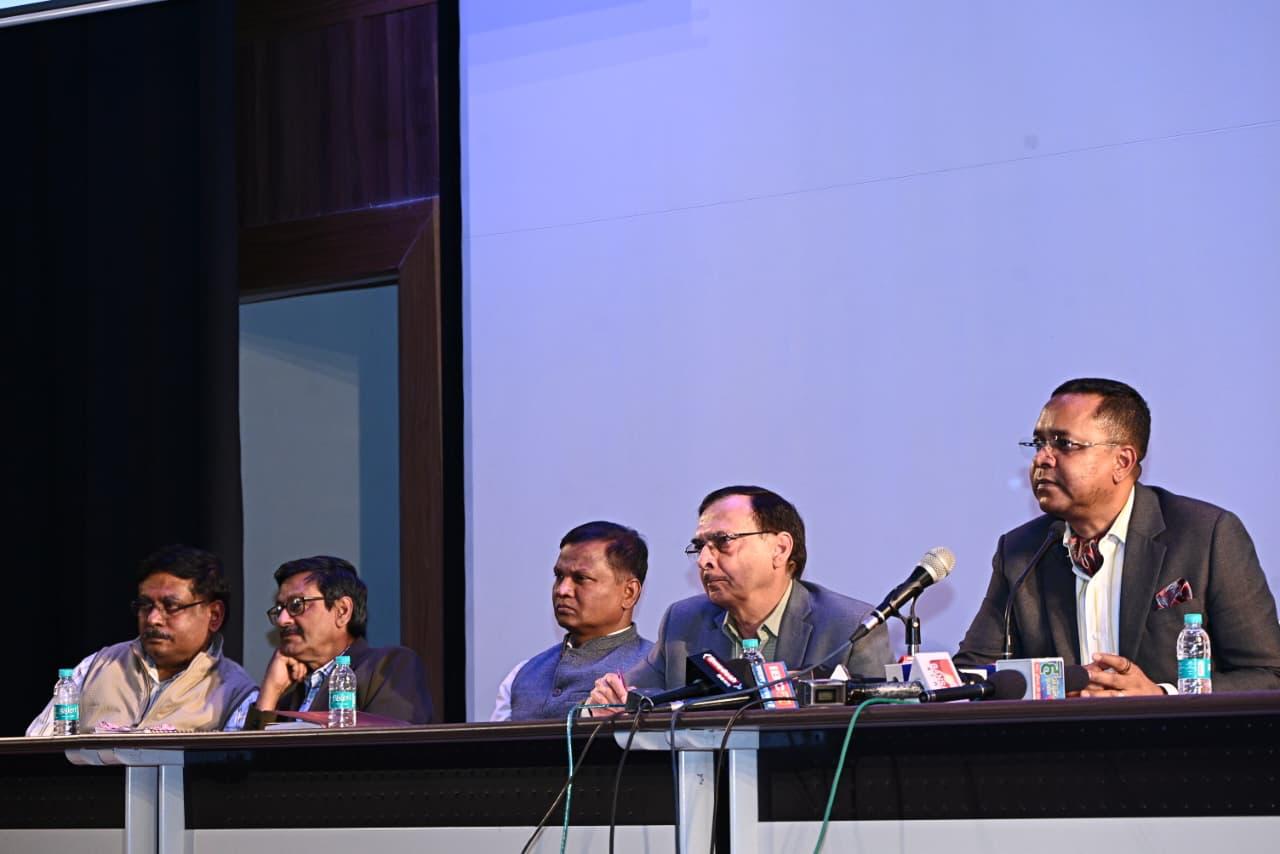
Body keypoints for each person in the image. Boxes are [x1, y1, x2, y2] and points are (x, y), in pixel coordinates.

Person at [955, 378, 1280, 695]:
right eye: (1039, 443)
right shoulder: (1022, 551)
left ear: (1122, 462)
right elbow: (973, 675)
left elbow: (1269, 675)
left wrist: (1161, 696)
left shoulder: (1206, 536)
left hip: (1173, 732)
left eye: (1064, 444)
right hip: (1065, 733)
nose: (1041, 458)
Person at [589, 486, 894, 708]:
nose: (704, 560)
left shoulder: (850, 627)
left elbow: (880, 730)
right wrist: (611, 700)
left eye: (723, 541)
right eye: (700, 546)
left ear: (780, 549)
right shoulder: (683, 622)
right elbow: (631, 694)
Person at [27, 545, 256, 735]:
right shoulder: (96, 667)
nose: (153, 619)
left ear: (214, 615)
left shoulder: (236, 694)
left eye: (171, 606)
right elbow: (37, 748)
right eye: (145, 605)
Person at [241, 556, 433, 728]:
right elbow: (251, 755)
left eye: (296, 605)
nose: (283, 620)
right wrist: (270, 691)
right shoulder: (289, 692)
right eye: (280, 609)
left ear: (342, 611)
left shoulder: (387, 667)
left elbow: (393, 748)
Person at [491, 521, 654, 721]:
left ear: (629, 592)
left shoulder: (657, 670)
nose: (562, 590)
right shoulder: (521, 675)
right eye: (559, 576)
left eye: (581, 578)